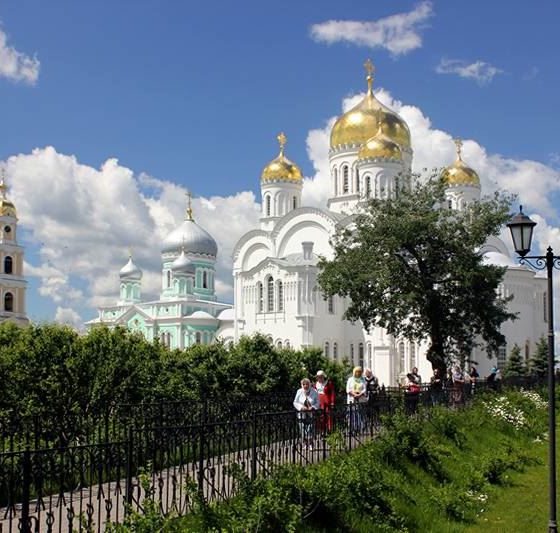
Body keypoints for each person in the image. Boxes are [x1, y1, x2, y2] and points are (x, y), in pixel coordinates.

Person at [293, 378, 319, 449]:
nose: (305, 386)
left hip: (310, 413)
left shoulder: (314, 391)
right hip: (302, 413)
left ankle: (310, 443)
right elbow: (295, 402)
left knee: (310, 428)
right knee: (302, 428)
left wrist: (313, 407)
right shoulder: (299, 391)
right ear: (302, 385)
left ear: (309, 384)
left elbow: (317, 402)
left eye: (307, 384)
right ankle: (304, 443)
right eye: (304, 384)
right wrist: (301, 407)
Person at [346, 367, 367, 434]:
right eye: (357, 372)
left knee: (359, 414)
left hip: (360, 399)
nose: (358, 373)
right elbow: (348, 389)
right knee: (352, 414)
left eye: (359, 372)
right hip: (352, 399)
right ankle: (352, 428)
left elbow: (364, 389)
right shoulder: (350, 379)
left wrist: (359, 394)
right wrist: (354, 394)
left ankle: (359, 428)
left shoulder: (363, 379)